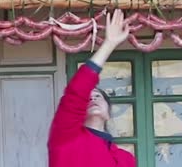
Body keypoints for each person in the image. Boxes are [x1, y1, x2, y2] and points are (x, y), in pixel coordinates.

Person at [48, 9, 136, 167]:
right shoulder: (65, 137)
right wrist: (109, 44)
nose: (92, 98)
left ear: (108, 113)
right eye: (88, 97)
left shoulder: (125, 159)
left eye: (98, 96)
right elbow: (76, 92)